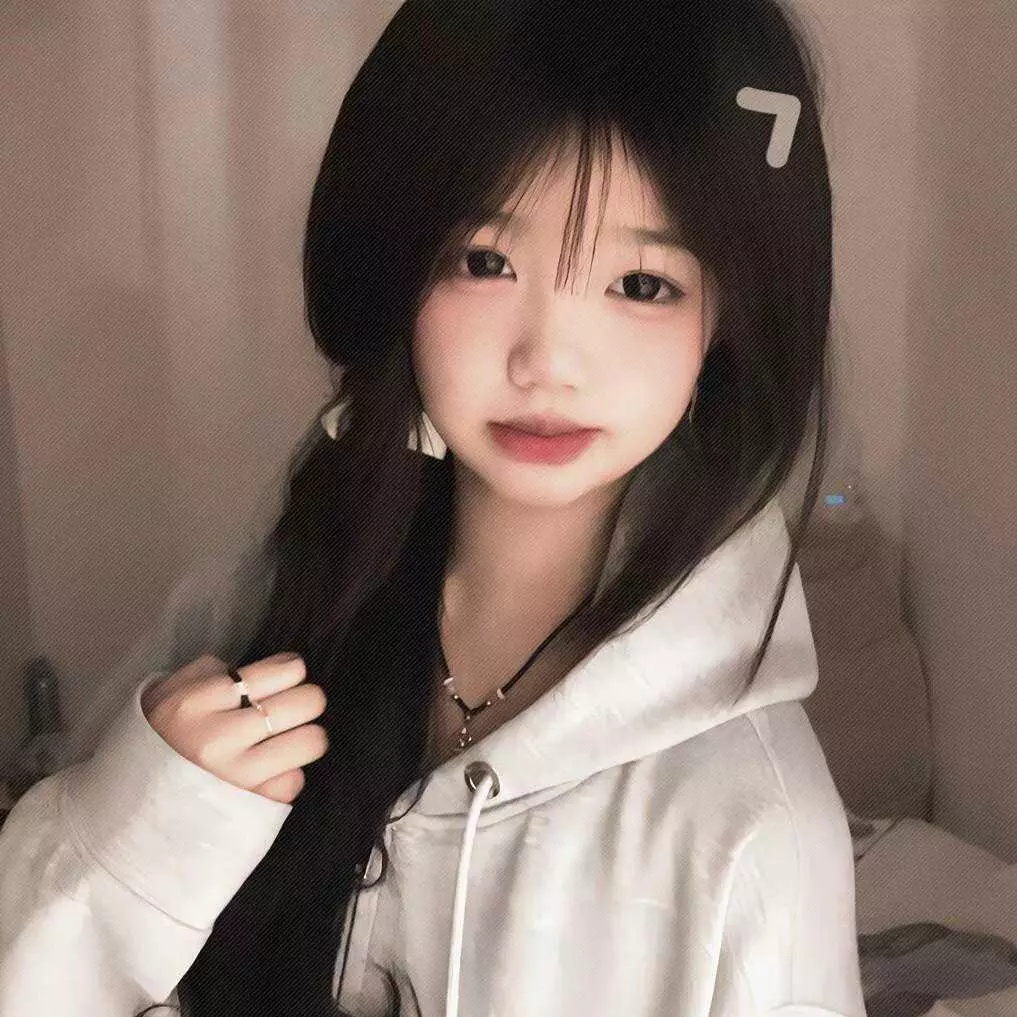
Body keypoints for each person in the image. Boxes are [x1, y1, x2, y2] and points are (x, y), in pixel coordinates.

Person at [0, 0, 867, 1014]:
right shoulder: (260, 611)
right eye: (485, 262)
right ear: (400, 270)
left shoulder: (751, 823)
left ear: (727, 317)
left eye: (641, 282)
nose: (548, 360)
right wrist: (126, 845)